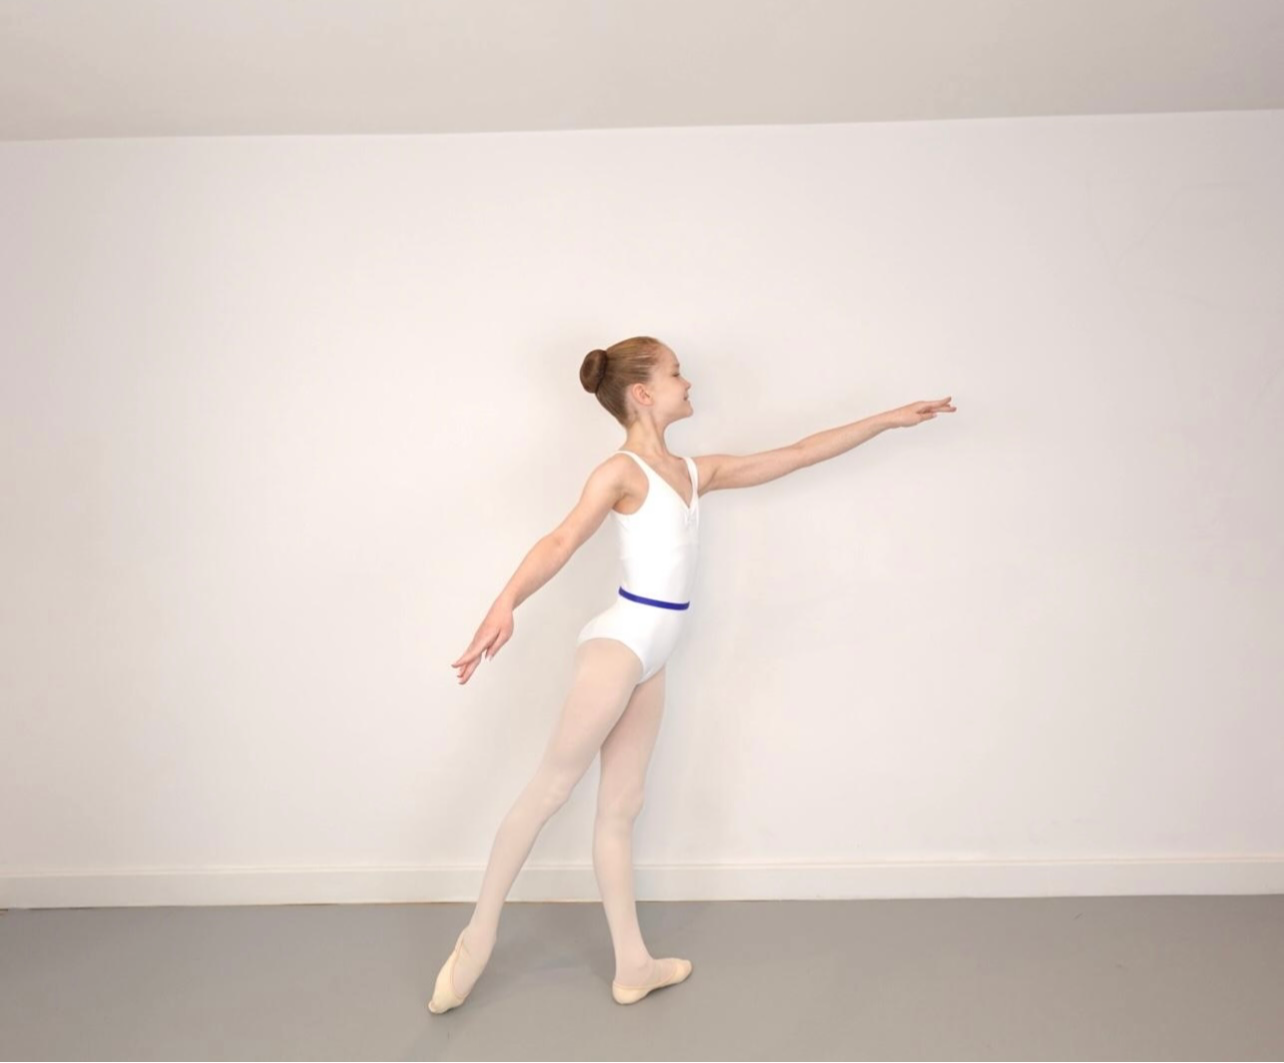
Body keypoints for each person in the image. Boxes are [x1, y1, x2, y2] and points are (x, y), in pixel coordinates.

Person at [429, 335, 955, 1011]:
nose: (688, 381)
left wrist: (885, 420)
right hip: (621, 643)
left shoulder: (691, 472)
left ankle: (633, 966)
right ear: (643, 393)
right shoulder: (619, 472)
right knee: (549, 790)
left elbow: (796, 453)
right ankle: (475, 940)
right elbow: (561, 539)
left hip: (653, 656)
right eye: (676, 373)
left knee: (621, 808)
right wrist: (504, 603)